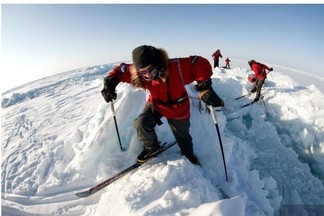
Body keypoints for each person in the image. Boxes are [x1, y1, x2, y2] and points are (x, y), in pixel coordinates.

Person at [101, 45, 224, 165]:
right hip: (156, 105)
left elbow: (198, 62)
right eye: (143, 72)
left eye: (150, 69)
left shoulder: (176, 67)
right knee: (141, 123)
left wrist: (204, 86)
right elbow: (121, 70)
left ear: (157, 62)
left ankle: (188, 155)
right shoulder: (138, 73)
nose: (148, 75)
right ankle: (151, 147)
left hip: (178, 108)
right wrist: (111, 80)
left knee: (182, 136)